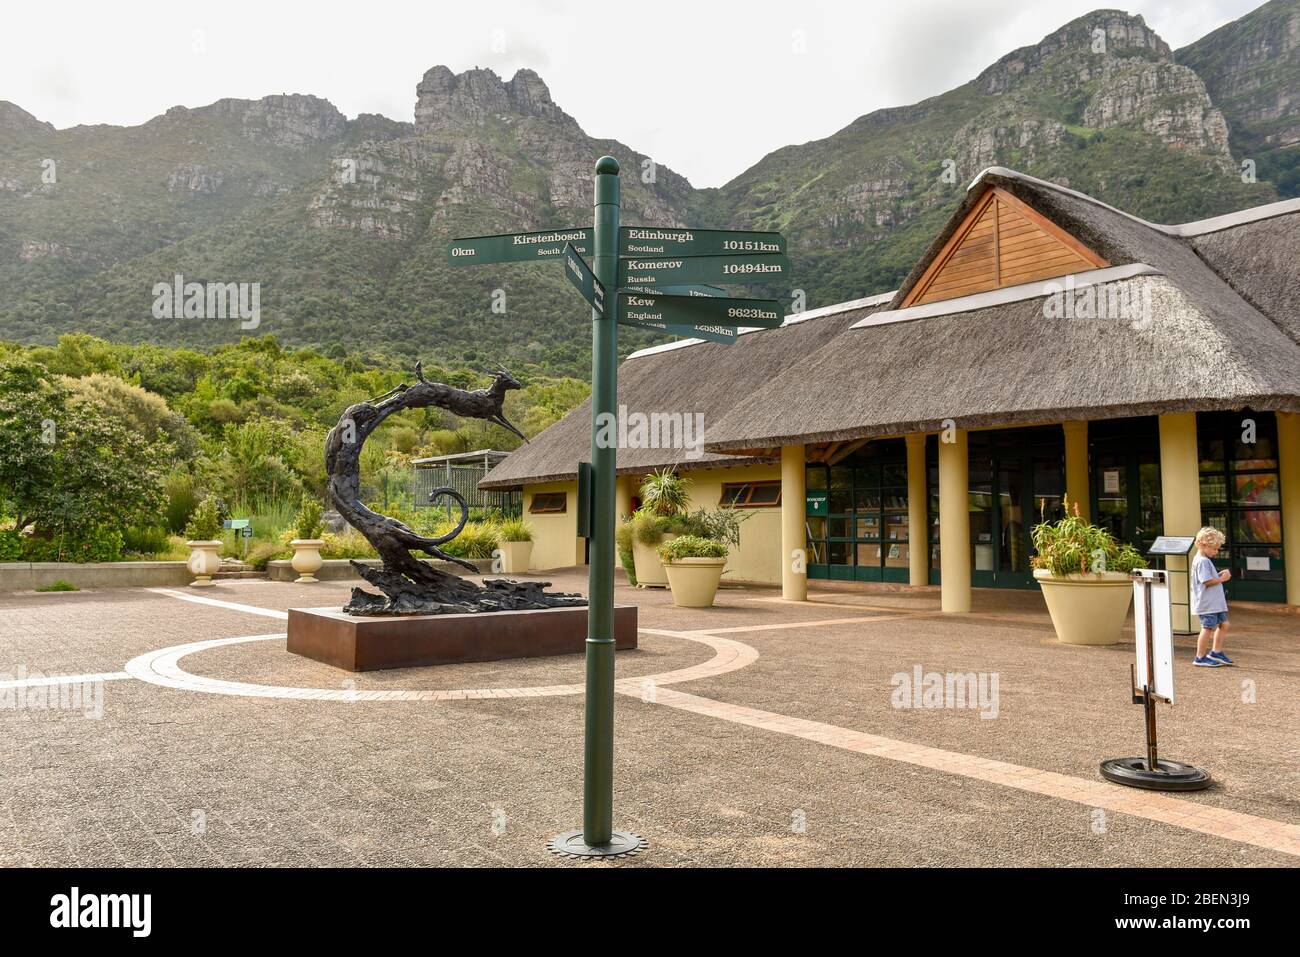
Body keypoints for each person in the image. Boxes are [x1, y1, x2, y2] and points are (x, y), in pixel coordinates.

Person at [1191, 526, 1233, 667]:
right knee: (1207, 627)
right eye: (1214, 549)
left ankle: (1216, 652)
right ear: (1203, 545)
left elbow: (1209, 578)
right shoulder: (1202, 561)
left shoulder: (1203, 560)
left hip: (1214, 603)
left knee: (1224, 624)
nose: (1216, 552)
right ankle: (1200, 657)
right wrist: (1222, 579)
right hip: (1207, 603)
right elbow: (1207, 581)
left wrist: (1219, 575)